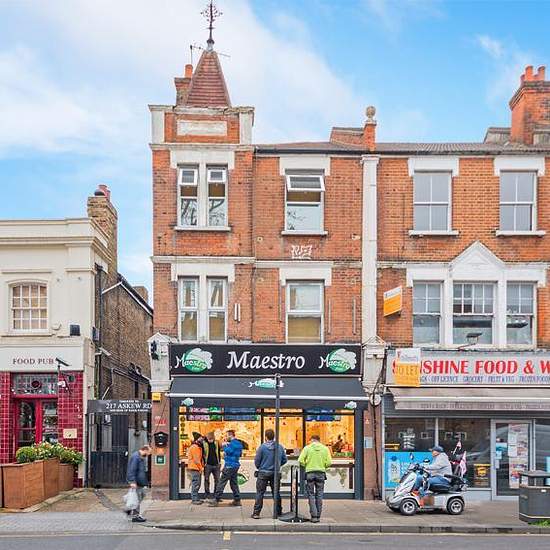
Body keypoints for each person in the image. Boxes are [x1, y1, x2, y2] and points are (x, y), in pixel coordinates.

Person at [251, 429, 287, 519]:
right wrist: (278, 465)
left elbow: (257, 461)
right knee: (276, 493)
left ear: (266, 437)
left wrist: (260, 467)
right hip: (275, 473)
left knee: (260, 493)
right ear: (273, 436)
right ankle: (278, 512)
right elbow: (284, 460)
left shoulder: (262, 447)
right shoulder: (279, 447)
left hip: (263, 472)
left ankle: (256, 513)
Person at [298, 434, 332, 523]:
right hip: (321, 473)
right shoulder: (325, 449)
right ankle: (318, 515)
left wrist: (307, 465)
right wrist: (323, 466)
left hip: (310, 473)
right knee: (319, 494)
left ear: (312, 440)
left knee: (311, 495)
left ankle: (314, 516)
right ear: (319, 440)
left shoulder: (307, 448)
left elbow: (300, 460)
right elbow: (329, 463)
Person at [208, 429, 243, 506]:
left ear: (231, 435)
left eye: (227, 436)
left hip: (229, 465)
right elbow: (238, 454)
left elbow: (228, 451)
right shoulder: (238, 443)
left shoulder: (232, 444)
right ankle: (237, 500)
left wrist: (224, 445)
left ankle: (216, 499)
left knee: (221, 482)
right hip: (235, 465)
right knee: (234, 483)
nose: (226, 437)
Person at [126, 444, 152, 522]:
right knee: (137, 498)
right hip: (136, 482)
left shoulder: (140, 457)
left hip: (139, 482)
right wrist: (132, 481)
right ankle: (135, 516)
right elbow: (132, 470)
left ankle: (132, 512)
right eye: (149, 452)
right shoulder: (136, 457)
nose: (149, 454)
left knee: (140, 496)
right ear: (145, 450)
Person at [202, 431, 222, 500]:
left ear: (213, 438)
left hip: (216, 464)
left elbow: (219, 452)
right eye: (209, 439)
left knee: (217, 480)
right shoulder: (204, 443)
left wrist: (219, 462)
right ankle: (207, 494)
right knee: (206, 479)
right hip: (207, 465)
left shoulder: (216, 443)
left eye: (211, 439)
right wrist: (204, 463)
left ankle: (216, 495)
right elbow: (202, 454)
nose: (210, 440)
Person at [187, 432, 205, 504]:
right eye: (201, 438)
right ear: (197, 439)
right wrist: (201, 468)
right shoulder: (195, 447)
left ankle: (196, 498)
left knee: (196, 484)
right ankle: (194, 499)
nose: (202, 439)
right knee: (196, 484)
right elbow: (197, 460)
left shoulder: (197, 447)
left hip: (194, 468)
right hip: (194, 468)